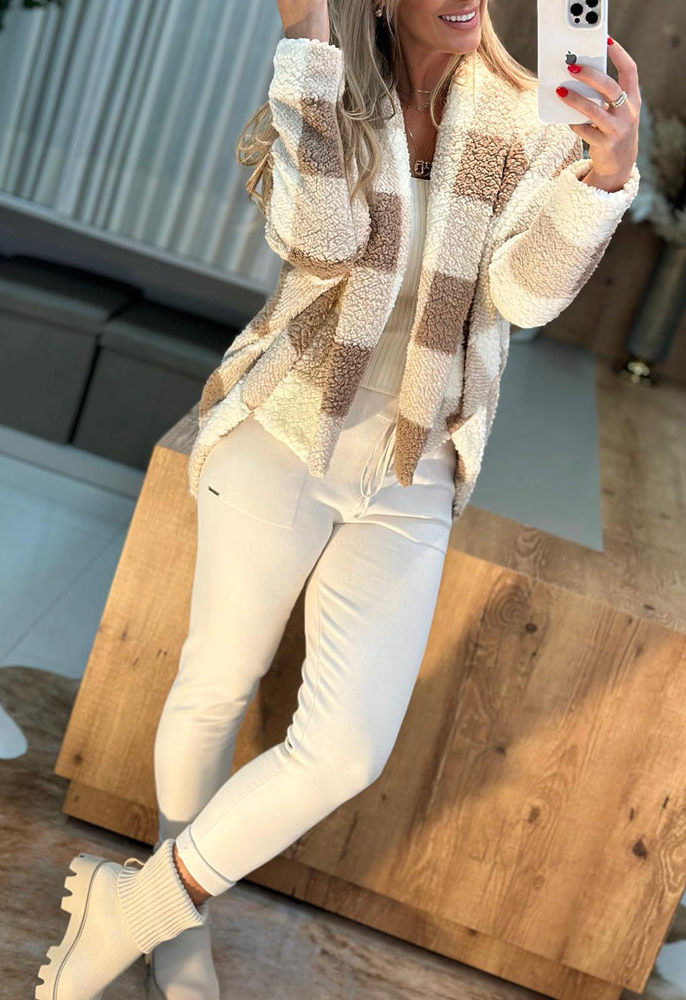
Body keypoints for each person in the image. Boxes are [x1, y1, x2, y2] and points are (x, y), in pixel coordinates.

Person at [35, 1, 640, 998]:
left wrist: (602, 177)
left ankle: (138, 904)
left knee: (346, 748)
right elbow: (320, 242)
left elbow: (522, 298)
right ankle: (177, 933)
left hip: (415, 463)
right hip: (284, 427)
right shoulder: (324, 86)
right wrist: (308, 48)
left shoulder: (524, 116)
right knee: (215, 683)